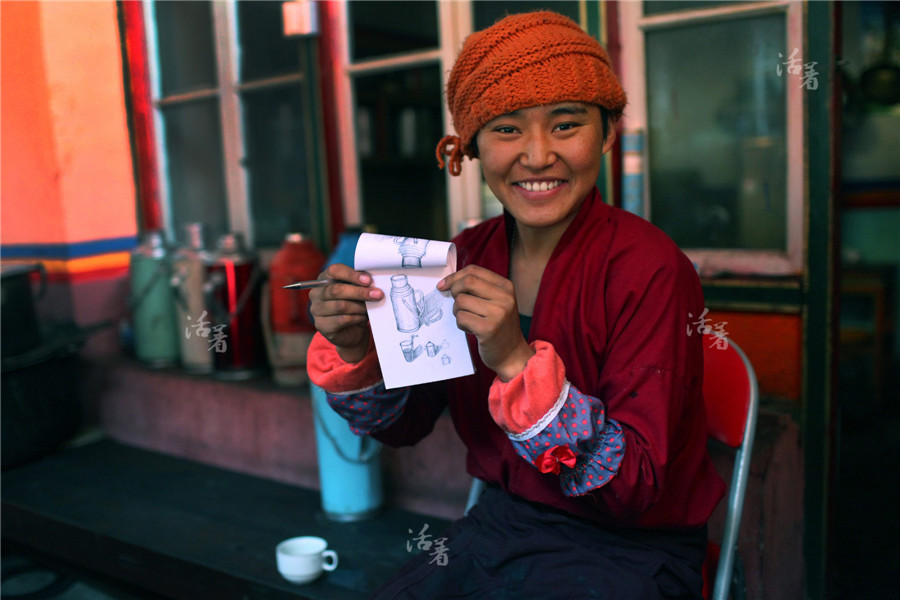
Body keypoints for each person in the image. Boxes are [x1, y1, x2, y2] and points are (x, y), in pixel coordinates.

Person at [307, 10, 725, 599]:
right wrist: (358, 347)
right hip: (504, 526)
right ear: (469, 146)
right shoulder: (460, 258)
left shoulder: (650, 269)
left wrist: (511, 357)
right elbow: (406, 425)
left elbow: (633, 486)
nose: (536, 156)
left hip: (632, 550)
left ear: (606, 133)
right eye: (506, 129)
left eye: (565, 125)